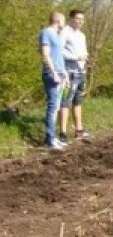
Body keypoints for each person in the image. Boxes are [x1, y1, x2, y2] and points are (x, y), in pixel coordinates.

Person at [59, 9, 93, 143]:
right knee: (65, 101)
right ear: (71, 18)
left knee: (78, 101)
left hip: (81, 71)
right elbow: (60, 52)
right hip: (69, 72)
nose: (81, 22)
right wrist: (76, 57)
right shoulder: (65, 32)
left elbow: (84, 52)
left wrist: (87, 60)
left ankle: (79, 130)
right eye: (78, 19)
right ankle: (62, 133)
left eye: (82, 19)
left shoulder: (82, 35)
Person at [39, 11, 68, 151]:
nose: (65, 23)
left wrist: (64, 74)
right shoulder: (46, 32)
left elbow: (59, 56)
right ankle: (49, 140)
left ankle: (52, 137)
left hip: (61, 73)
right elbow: (45, 54)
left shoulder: (57, 36)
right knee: (52, 107)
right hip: (52, 74)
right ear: (57, 20)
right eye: (63, 20)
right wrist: (53, 72)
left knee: (56, 107)